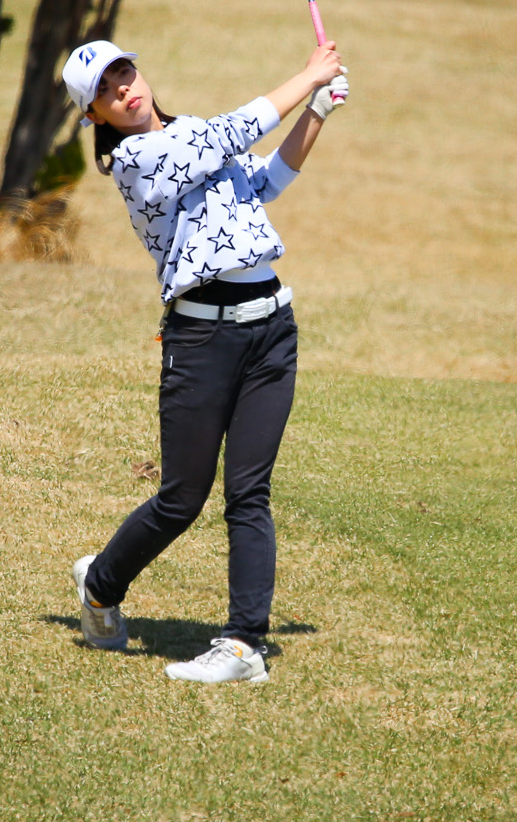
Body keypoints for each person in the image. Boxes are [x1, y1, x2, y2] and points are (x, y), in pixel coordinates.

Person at [64, 36, 348, 684]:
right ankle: (101, 585)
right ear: (94, 116)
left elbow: (267, 181)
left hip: (271, 330)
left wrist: (318, 112)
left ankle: (243, 646)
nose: (122, 88)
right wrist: (308, 76)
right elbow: (234, 130)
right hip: (200, 341)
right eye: (104, 90)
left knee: (250, 493)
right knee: (182, 498)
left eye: (124, 72)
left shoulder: (191, 132)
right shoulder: (135, 159)